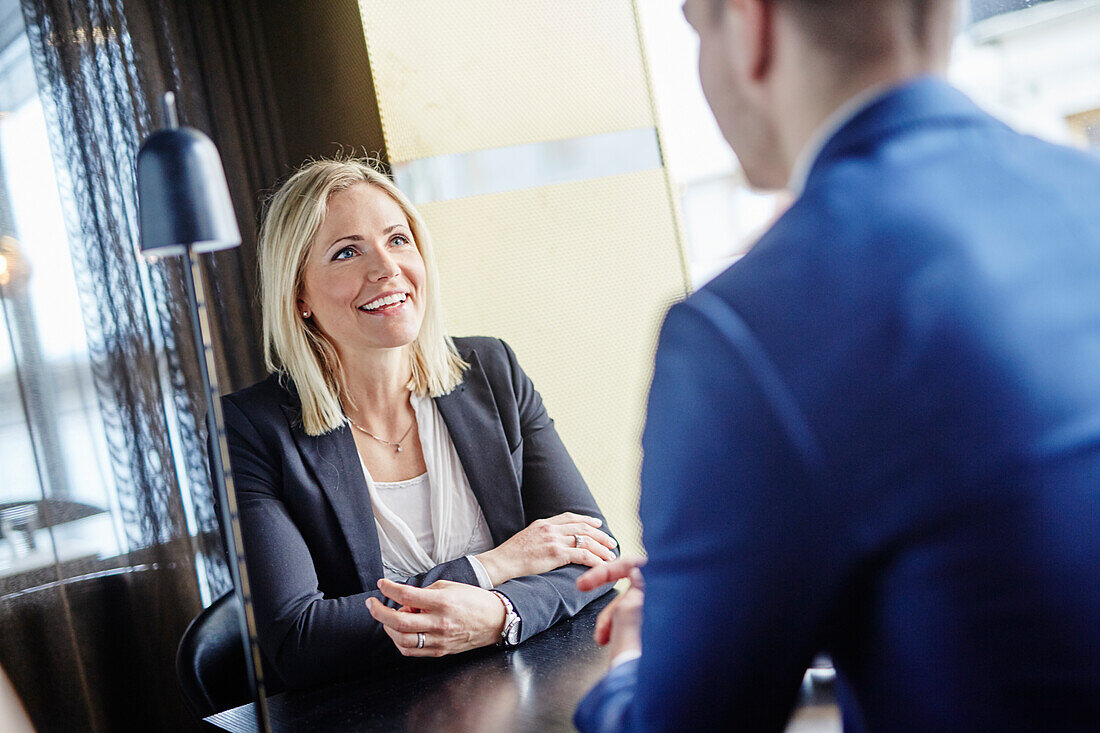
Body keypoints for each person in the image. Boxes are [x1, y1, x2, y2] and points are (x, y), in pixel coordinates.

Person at [575, 0, 1100, 730]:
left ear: (753, 25)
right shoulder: (1083, 188)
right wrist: (734, 577)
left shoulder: (748, 323)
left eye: (697, 24)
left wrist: (637, 653)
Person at [222, 158, 618, 690]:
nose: (387, 268)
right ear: (299, 297)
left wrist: (501, 613)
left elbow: (595, 555)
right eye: (347, 251)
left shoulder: (491, 371)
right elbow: (299, 637)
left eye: (398, 240)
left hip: (529, 687)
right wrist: (494, 567)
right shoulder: (253, 428)